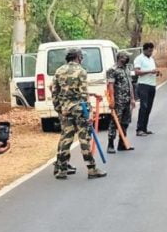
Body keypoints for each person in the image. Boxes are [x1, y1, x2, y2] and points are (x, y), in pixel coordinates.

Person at [51, 47, 107, 180]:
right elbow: (82, 93)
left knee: (66, 138)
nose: (82, 59)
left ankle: (61, 170)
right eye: (81, 56)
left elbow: (54, 92)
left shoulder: (59, 71)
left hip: (65, 109)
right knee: (84, 138)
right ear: (78, 57)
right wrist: (89, 112)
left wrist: (59, 109)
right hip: (80, 109)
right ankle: (91, 169)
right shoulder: (81, 71)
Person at [106, 51, 136, 154]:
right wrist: (112, 100)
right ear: (120, 58)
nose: (127, 58)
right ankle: (110, 145)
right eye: (126, 57)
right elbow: (110, 86)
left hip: (127, 100)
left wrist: (132, 99)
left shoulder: (127, 69)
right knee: (114, 123)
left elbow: (130, 85)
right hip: (118, 101)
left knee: (125, 123)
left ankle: (122, 144)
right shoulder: (112, 70)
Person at [134, 42, 161, 136]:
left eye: (152, 50)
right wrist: (150, 71)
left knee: (149, 107)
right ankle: (139, 129)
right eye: (149, 50)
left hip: (152, 85)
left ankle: (145, 128)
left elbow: (152, 71)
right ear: (144, 50)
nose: (151, 52)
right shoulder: (139, 59)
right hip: (143, 85)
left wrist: (156, 72)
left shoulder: (151, 59)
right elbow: (137, 72)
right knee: (143, 107)